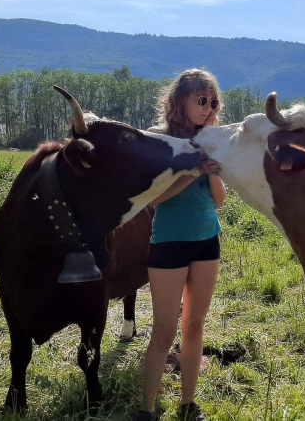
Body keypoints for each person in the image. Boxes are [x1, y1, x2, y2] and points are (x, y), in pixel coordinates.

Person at [136, 69, 226, 421]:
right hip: (169, 243)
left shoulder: (213, 140)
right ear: (180, 101)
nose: (207, 108)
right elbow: (154, 200)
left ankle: (188, 405)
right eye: (200, 100)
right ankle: (146, 410)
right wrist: (193, 171)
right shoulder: (160, 140)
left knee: (194, 327)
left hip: (208, 240)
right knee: (163, 329)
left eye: (212, 101)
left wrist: (213, 172)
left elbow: (218, 201)